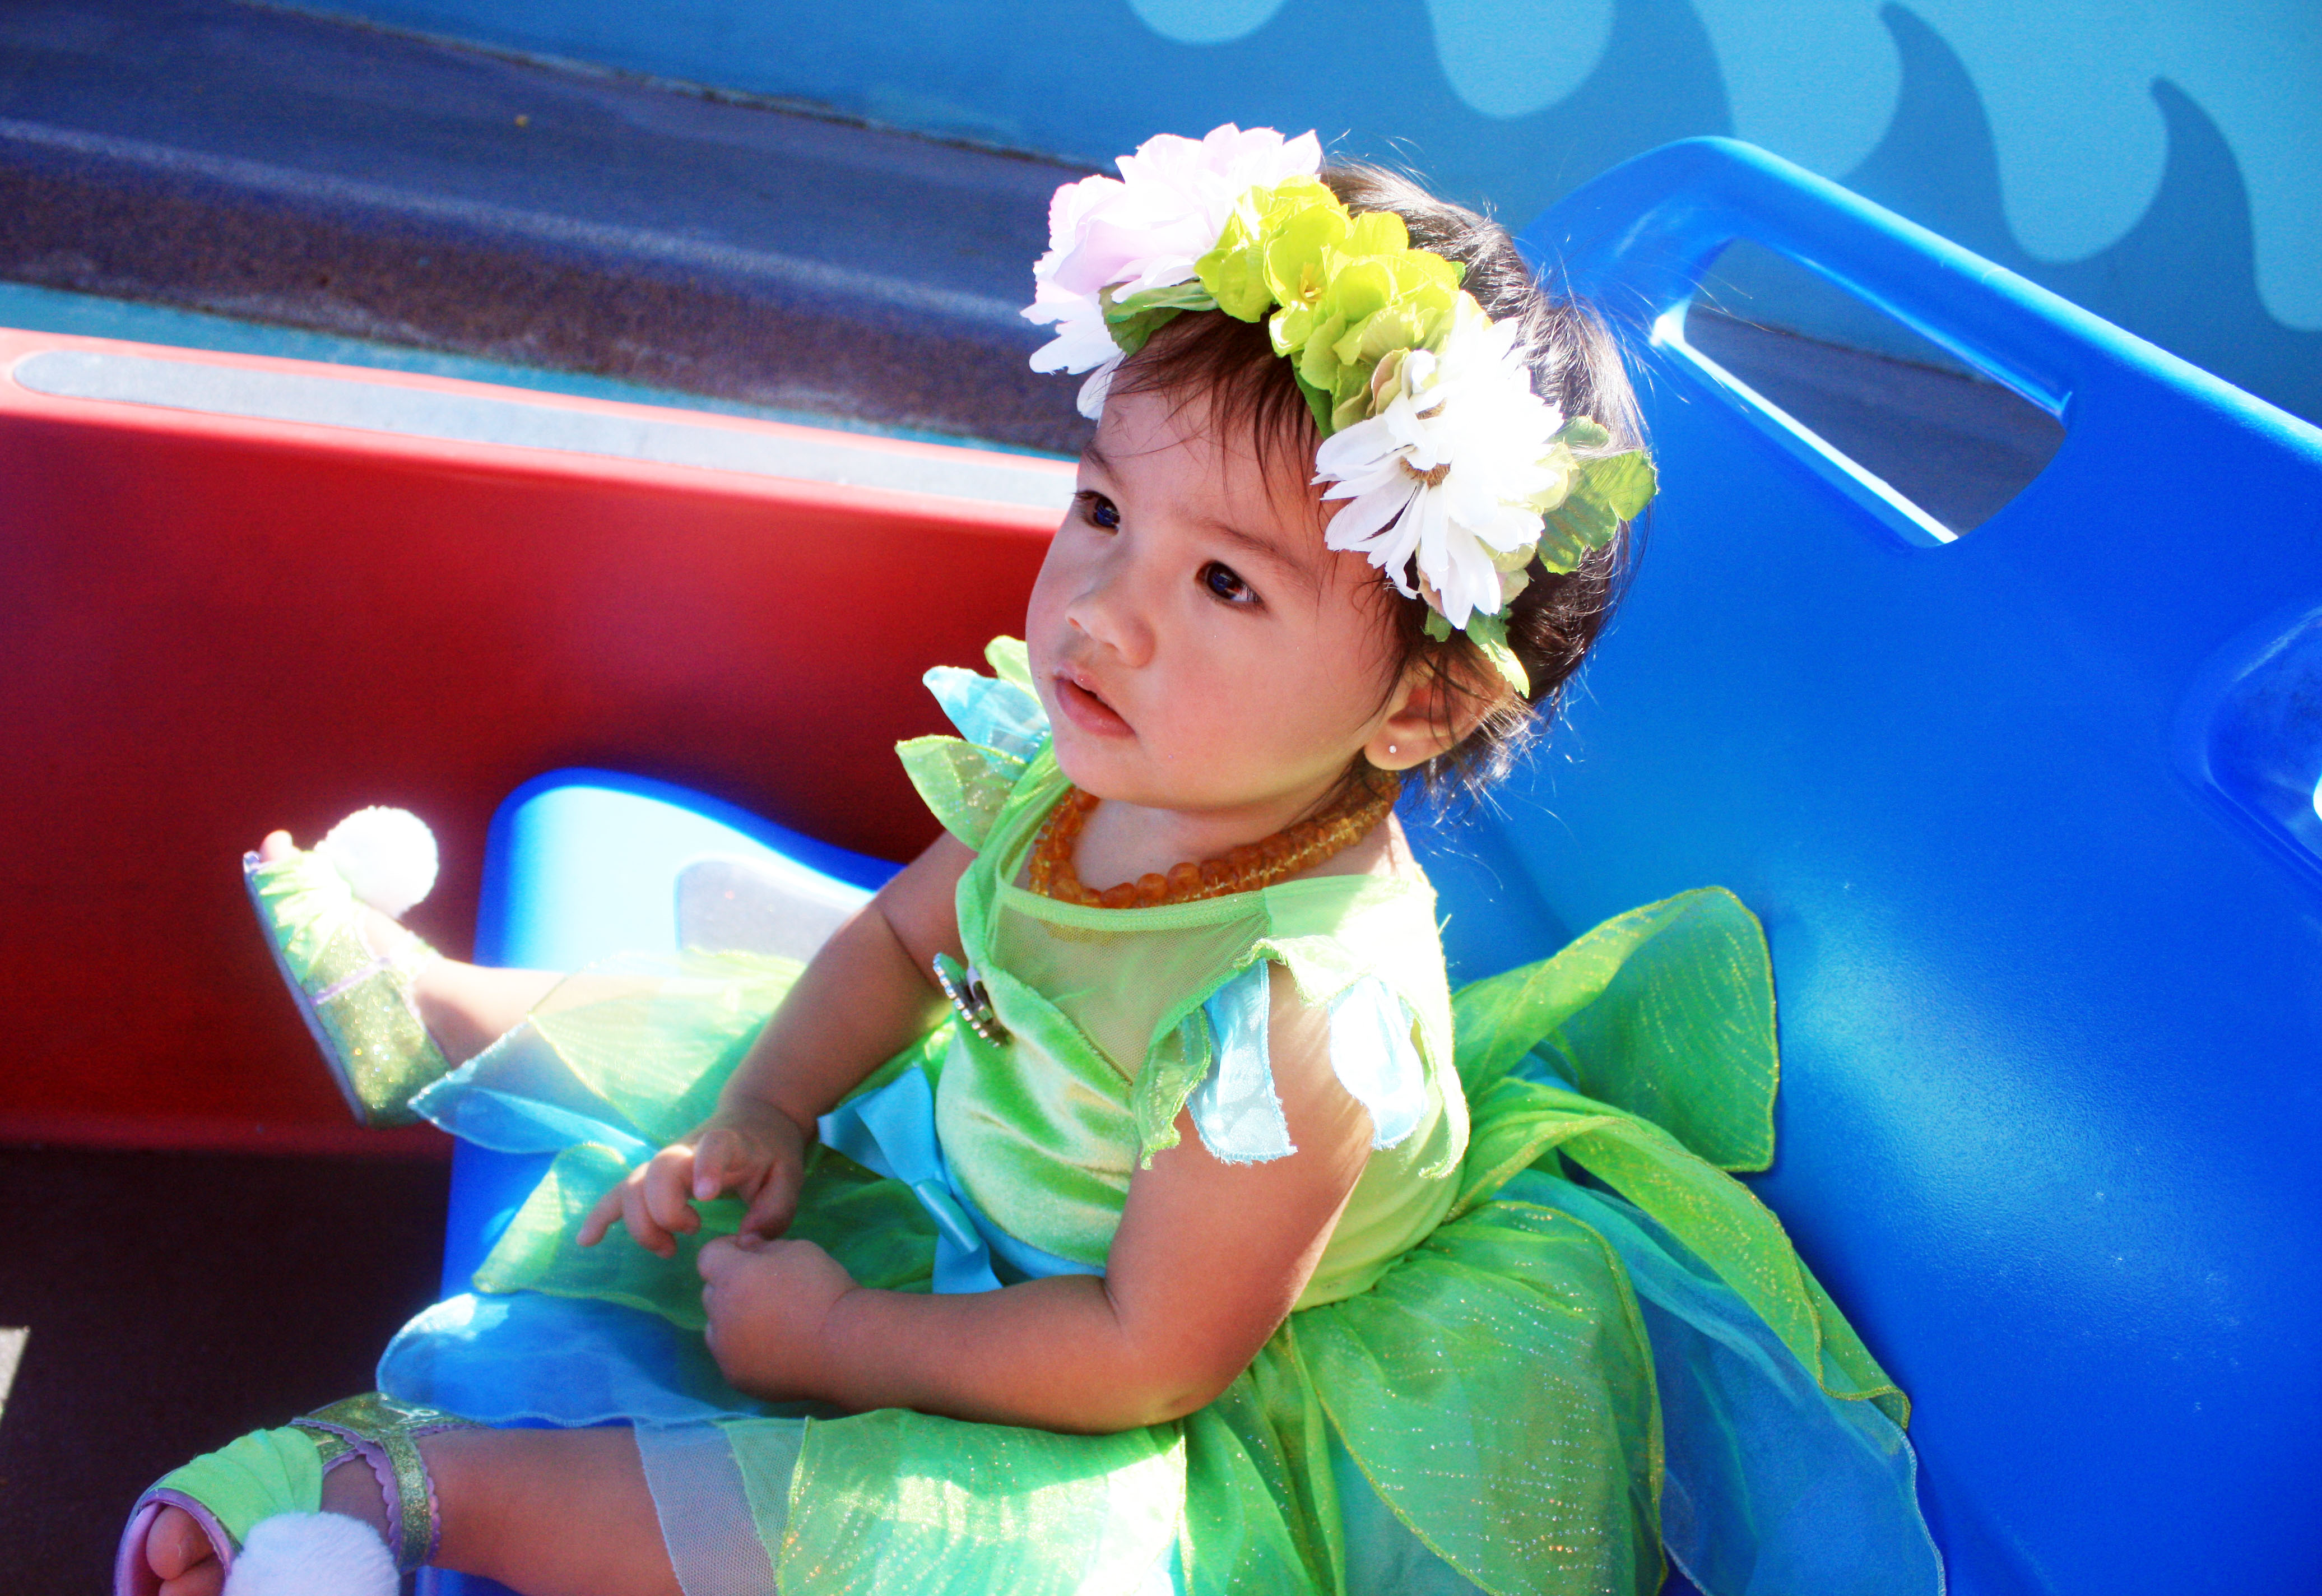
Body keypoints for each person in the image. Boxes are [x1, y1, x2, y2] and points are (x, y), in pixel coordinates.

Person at [120, 126, 1941, 1596]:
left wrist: (847, 1340)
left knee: (905, 1545)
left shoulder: (1296, 1024)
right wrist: (765, 1109)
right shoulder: (1079, 757)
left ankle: (407, 1487)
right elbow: (901, 944)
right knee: (724, 1059)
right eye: (1101, 508)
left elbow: (1150, 1351)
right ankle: (452, 1017)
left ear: (1418, 708)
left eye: (1222, 581)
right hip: (994, 1175)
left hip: (1160, 1372)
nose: (1104, 610)